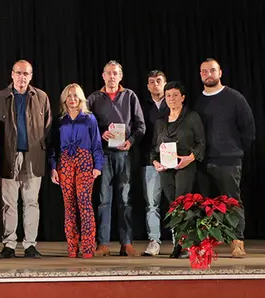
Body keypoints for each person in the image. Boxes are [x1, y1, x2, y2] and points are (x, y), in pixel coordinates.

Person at [193, 58, 255, 258]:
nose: (208, 74)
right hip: (202, 162)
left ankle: (237, 242)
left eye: (212, 70)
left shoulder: (235, 98)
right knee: (204, 204)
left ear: (220, 73)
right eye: (204, 71)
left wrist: (234, 150)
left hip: (228, 160)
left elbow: (248, 130)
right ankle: (207, 245)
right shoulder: (197, 101)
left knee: (232, 202)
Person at [0, 59, 52, 259]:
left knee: (31, 202)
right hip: (8, 157)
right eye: (18, 73)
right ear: (12, 74)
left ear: (31, 76)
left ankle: (30, 245)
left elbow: (48, 128)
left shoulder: (41, 97)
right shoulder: (0, 97)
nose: (22, 77)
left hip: (33, 157)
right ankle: (9, 244)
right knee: (9, 203)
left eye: (26, 74)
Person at [87, 60, 145, 257]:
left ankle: (126, 242)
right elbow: (87, 125)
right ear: (103, 76)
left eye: (115, 73)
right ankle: (103, 243)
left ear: (120, 76)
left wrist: (130, 141)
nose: (112, 76)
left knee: (125, 199)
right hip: (102, 154)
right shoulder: (94, 98)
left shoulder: (129, 96)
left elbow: (140, 126)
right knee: (104, 200)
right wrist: (100, 134)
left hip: (124, 154)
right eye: (108, 73)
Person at [151, 81, 205, 259]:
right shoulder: (160, 122)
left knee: (183, 204)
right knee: (174, 206)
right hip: (165, 168)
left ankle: (185, 244)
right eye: (168, 96)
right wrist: (155, 162)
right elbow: (154, 148)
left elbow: (201, 143)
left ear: (182, 97)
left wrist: (189, 159)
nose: (171, 98)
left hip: (185, 165)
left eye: (175, 95)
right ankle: (180, 243)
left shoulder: (192, 117)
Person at [49, 84, 104, 259]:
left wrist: (98, 166)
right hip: (65, 161)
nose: (72, 99)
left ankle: (88, 246)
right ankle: (72, 246)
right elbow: (53, 146)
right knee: (69, 205)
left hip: (85, 160)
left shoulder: (89, 118)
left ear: (80, 98)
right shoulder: (60, 120)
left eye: (75, 96)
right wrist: (53, 167)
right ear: (65, 99)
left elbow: (96, 143)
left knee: (84, 203)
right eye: (69, 96)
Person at [140, 70, 168, 256]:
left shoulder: (175, 103)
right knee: (151, 204)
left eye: (159, 81)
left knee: (177, 202)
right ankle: (154, 240)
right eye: (152, 81)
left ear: (165, 83)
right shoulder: (141, 106)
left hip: (174, 160)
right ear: (148, 86)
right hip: (150, 161)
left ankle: (179, 241)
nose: (155, 84)